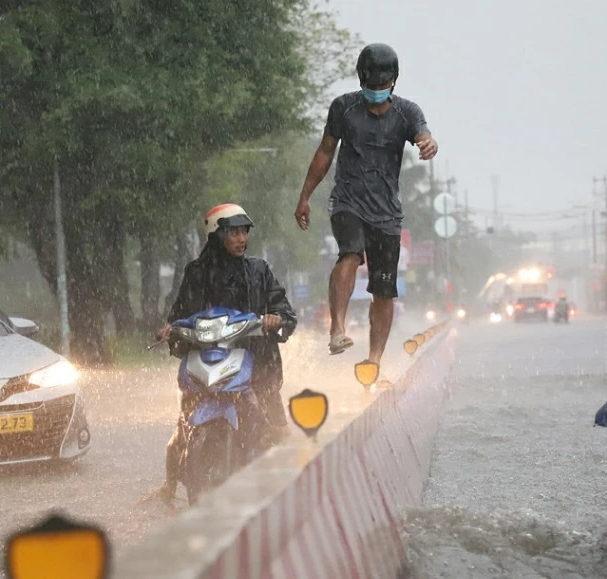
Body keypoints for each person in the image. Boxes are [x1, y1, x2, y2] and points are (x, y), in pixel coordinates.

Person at [293, 43, 438, 375]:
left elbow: (424, 136)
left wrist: (429, 144)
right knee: (350, 254)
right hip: (348, 202)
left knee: (384, 290)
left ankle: (373, 360)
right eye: (370, 86)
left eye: (381, 87)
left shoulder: (407, 112)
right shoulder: (343, 108)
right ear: (361, 80)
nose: (375, 92)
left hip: (387, 214)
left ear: (393, 83)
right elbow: (325, 153)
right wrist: (305, 197)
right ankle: (337, 330)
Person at [157, 203, 297, 499]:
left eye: (244, 231)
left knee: (279, 429)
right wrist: (170, 328)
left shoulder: (259, 271)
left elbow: (283, 307)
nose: (241, 239)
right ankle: (168, 488)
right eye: (233, 232)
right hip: (206, 360)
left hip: (256, 362)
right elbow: (179, 312)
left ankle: (293, 491)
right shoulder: (196, 273)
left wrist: (276, 318)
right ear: (216, 235)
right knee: (182, 427)